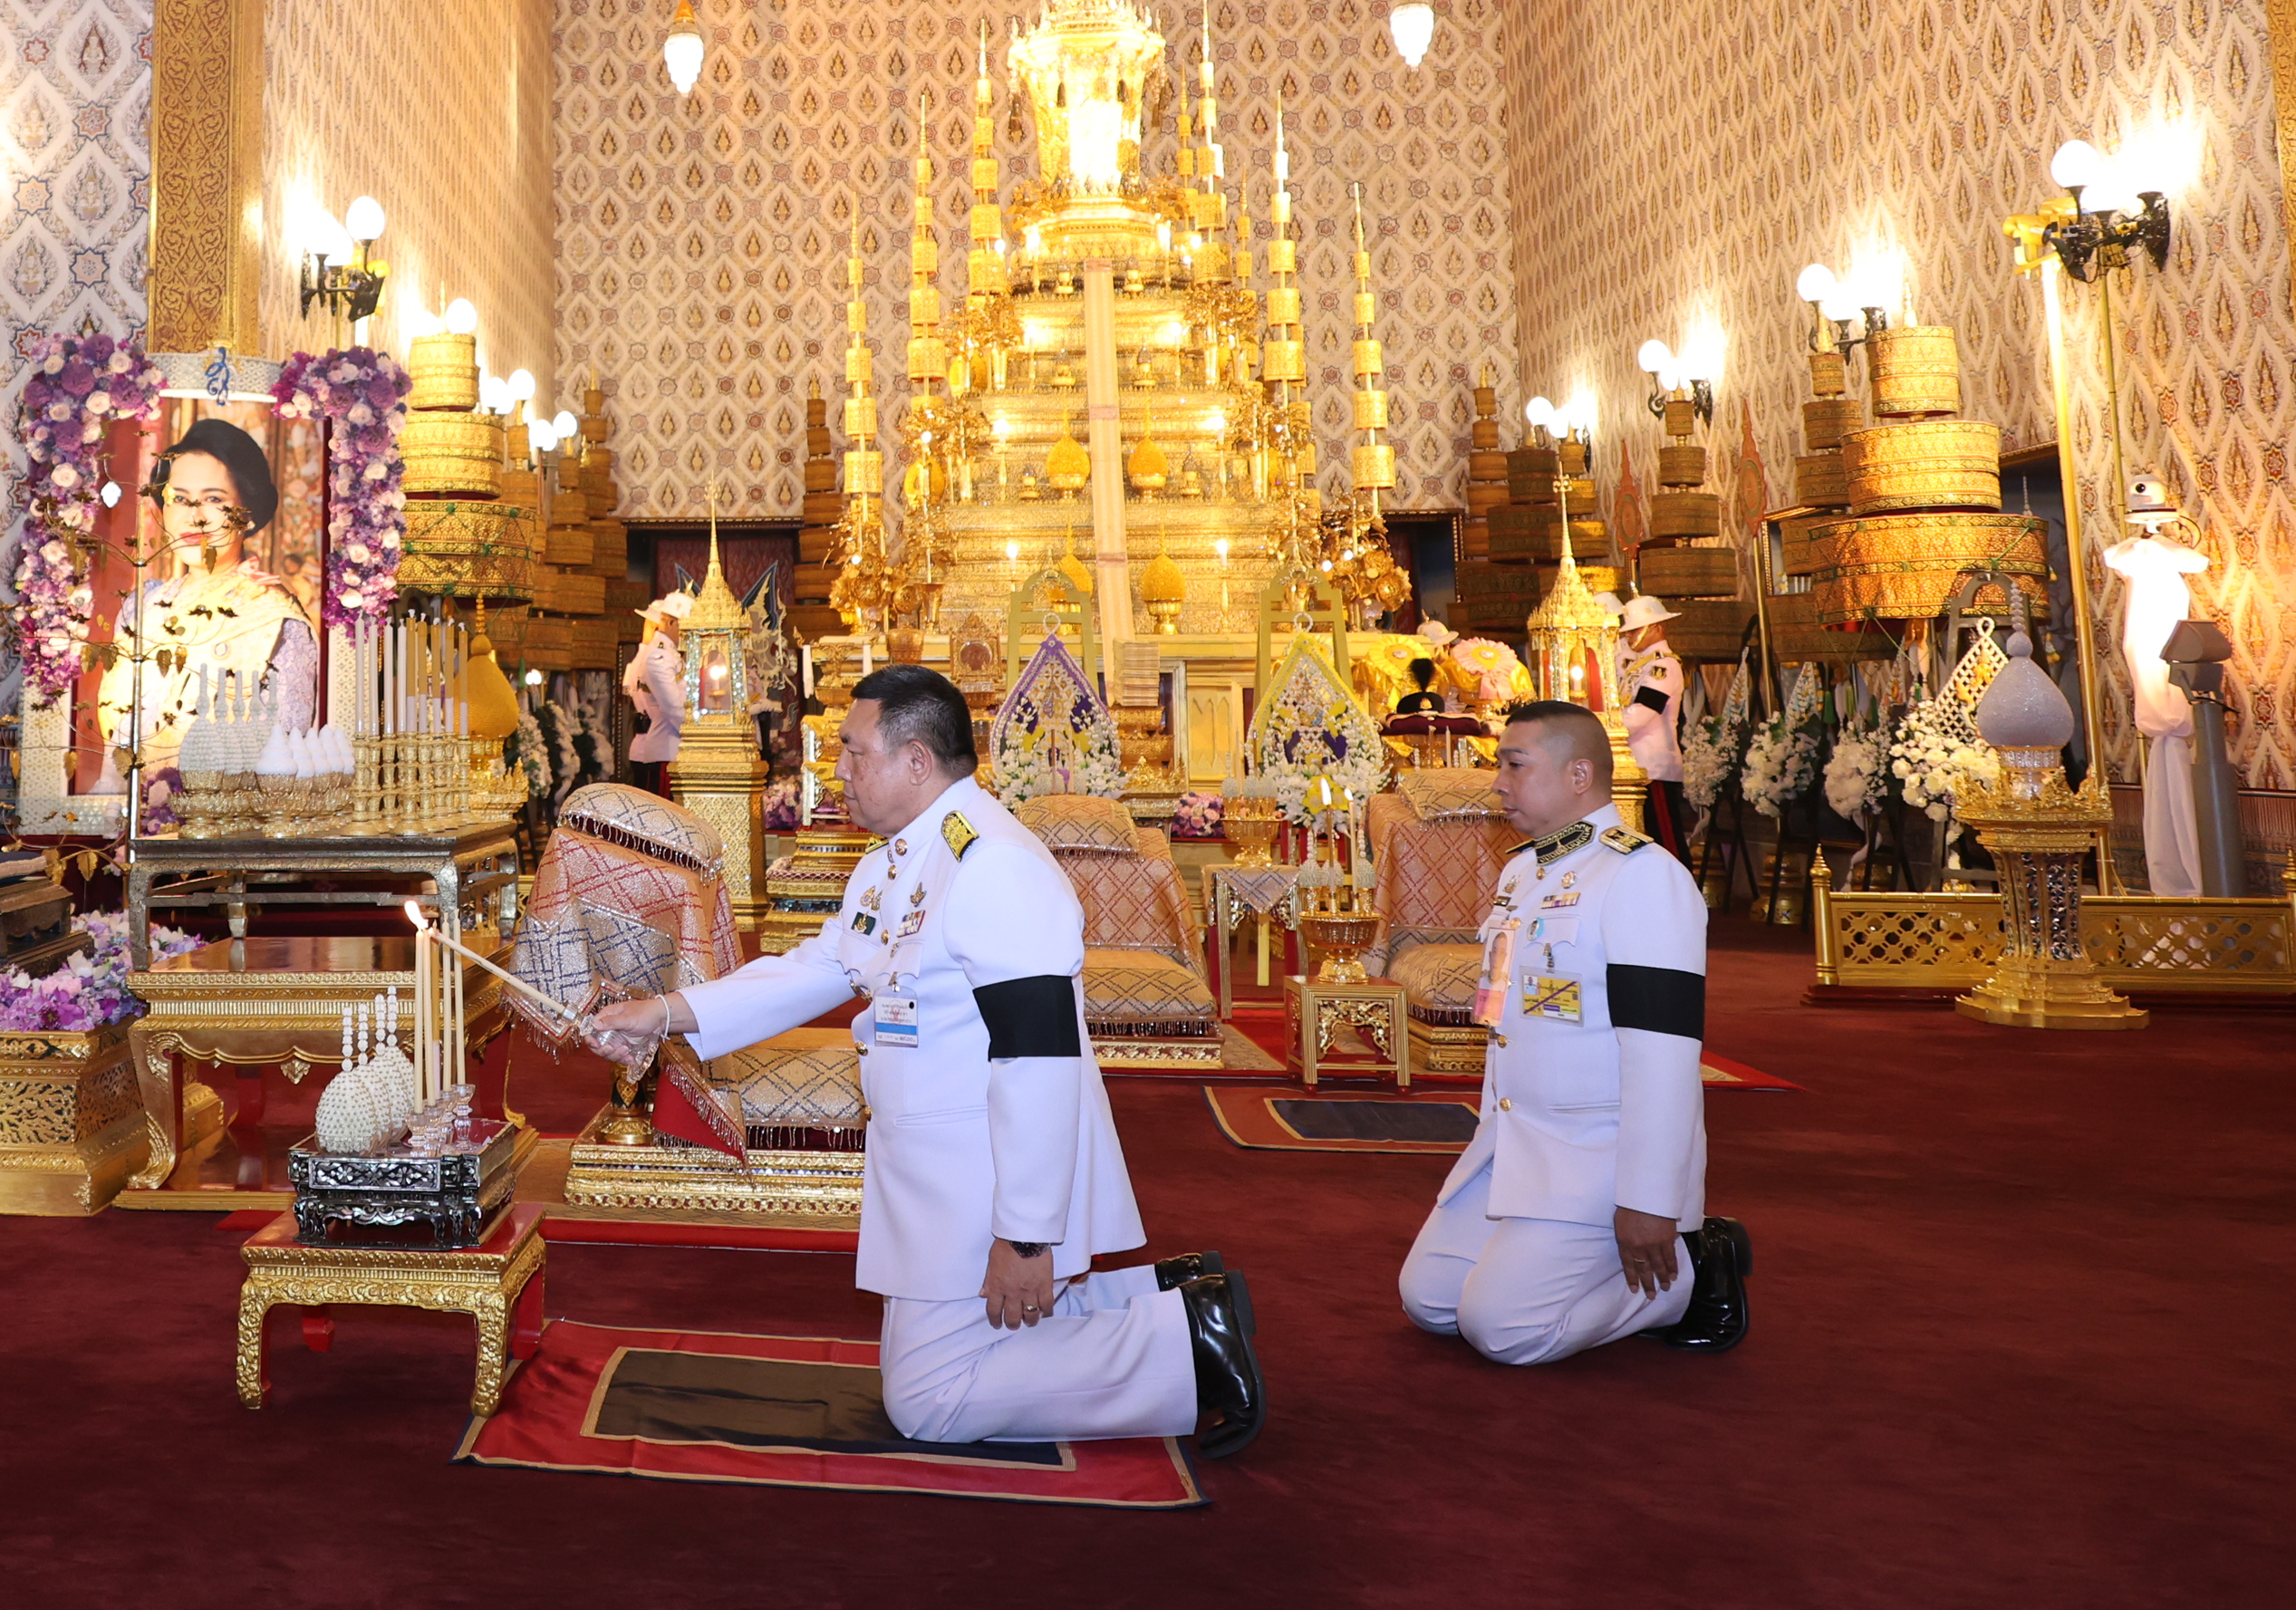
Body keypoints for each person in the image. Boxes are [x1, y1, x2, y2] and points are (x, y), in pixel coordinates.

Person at [586, 666, 1265, 1457]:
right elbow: (818, 967)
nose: (838, 769)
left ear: (916, 760)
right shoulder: (894, 862)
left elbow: (1038, 1059)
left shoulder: (993, 866)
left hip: (988, 1177)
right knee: (938, 1365)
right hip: (935, 1172)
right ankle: (1176, 1298)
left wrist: (1025, 1238)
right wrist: (665, 1014)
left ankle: (1191, 1351)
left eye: (853, 750)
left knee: (929, 1397)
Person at [1397, 699, 1749, 1364]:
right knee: (1431, 1302)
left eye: (1514, 764)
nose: (1498, 781)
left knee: (1504, 1331)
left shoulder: (1643, 876)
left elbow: (1664, 1059)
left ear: (1579, 775)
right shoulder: (1524, 870)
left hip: (1598, 1157)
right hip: (1518, 1144)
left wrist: (1649, 1199)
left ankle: (1692, 1274)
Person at [92, 417, 318, 786]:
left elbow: (282, 757)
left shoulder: (275, 618)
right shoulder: (141, 606)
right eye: (179, 498)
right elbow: (112, 749)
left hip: (223, 826)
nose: (194, 516)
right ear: (161, 510)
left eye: (214, 499)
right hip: (124, 816)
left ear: (247, 512)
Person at [2104, 478, 2211, 897]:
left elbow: (2195, 564)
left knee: (2163, 680)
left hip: (2159, 642)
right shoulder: (2134, 552)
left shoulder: (2148, 553)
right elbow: (2196, 563)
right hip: (2149, 643)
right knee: (2156, 675)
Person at [1618, 593, 1689, 856]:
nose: (1629, 636)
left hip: (1654, 765)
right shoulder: (1639, 665)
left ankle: (1679, 893)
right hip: (1635, 765)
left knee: (1665, 841)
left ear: (1657, 627)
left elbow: (1642, 713)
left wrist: (1605, 731)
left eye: (1635, 629)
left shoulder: (1663, 665)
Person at [619, 593, 689, 797]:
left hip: (676, 748)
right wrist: (700, 737)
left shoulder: (671, 653)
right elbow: (673, 709)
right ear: (669, 622)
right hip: (667, 749)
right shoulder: (658, 657)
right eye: (685, 626)